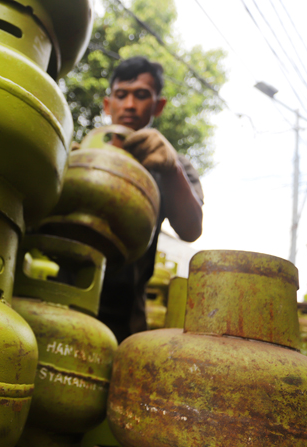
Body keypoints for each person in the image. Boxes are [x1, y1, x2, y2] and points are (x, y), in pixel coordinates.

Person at [98, 56, 204, 342]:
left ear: (158, 105)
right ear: (108, 104)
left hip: (127, 321)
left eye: (142, 95)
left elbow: (191, 229)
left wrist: (171, 170)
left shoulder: (173, 166)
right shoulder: (84, 153)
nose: (130, 105)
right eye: (121, 95)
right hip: (61, 299)